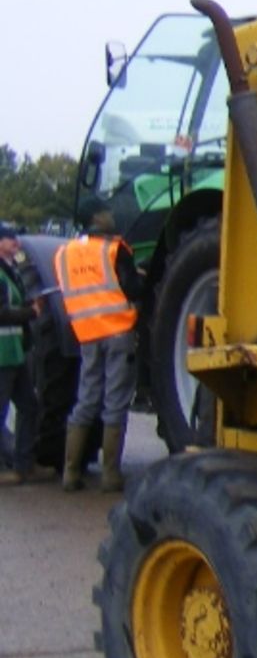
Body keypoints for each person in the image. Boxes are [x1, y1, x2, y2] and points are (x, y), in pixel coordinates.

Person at [53, 201, 143, 492]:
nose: (112, 215)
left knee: (87, 398)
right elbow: (132, 289)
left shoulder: (66, 253)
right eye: (106, 212)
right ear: (96, 218)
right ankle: (110, 475)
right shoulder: (115, 249)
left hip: (87, 334)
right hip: (118, 331)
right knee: (115, 401)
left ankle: (70, 472)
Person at [0, 224, 43, 485]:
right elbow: (2, 313)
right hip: (3, 355)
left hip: (15, 353)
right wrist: (32, 312)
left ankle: (23, 464)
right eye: (9, 238)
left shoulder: (10, 270)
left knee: (29, 406)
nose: (15, 241)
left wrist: (28, 307)